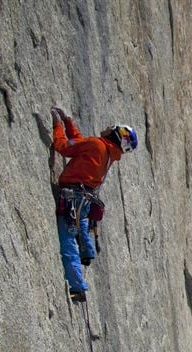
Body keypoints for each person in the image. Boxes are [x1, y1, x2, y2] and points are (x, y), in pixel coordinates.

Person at [51, 107, 138, 302]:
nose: (107, 127)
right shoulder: (106, 153)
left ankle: (77, 286)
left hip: (73, 196)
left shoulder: (96, 145)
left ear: (117, 134)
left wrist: (58, 125)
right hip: (84, 198)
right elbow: (81, 146)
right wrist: (69, 123)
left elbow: (64, 147)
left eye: (112, 127)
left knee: (67, 240)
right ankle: (87, 251)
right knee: (80, 222)